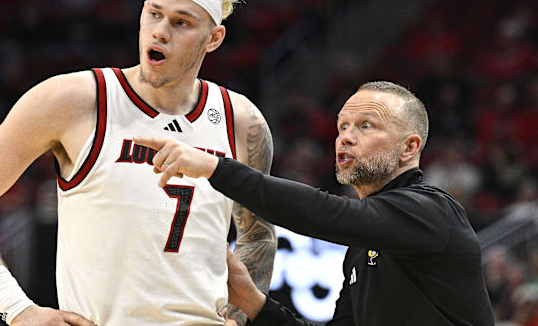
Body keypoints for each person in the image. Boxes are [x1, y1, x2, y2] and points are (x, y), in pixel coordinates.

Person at [0, 0, 276, 326]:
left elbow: (258, 236)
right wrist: (17, 308)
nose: (160, 31)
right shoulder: (73, 100)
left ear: (213, 38)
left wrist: (241, 316)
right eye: (153, 14)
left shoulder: (242, 121)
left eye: (181, 23)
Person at [134, 81, 495, 325]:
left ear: (410, 147)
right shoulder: (363, 245)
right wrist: (254, 304)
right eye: (342, 127)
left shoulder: (433, 211)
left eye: (366, 126)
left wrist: (218, 168)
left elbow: (328, 213)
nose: (346, 138)